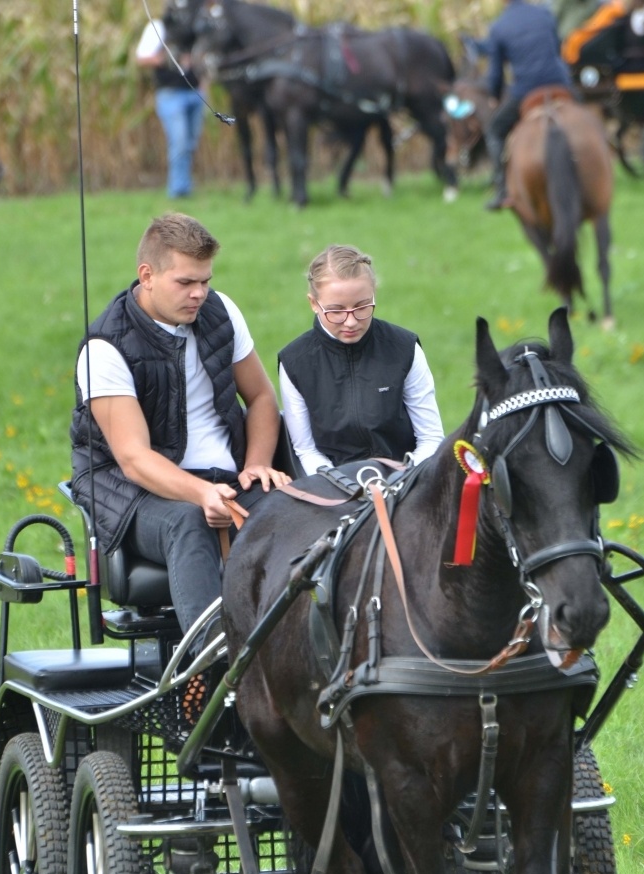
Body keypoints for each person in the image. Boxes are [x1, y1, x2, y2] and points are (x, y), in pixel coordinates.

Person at [70, 212, 290, 638]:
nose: (199, 294)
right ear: (147, 275)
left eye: (205, 281)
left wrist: (257, 465)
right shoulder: (105, 348)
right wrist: (201, 493)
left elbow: (262, 398)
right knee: (191, 521)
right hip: (134, 494)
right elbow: (133, 459)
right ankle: (209, 668)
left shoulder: (221, 312)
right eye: (186, 283)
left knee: (297, 511)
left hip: (227, 479)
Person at [277, 245, 445, 476]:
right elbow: (306, 450)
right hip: (332, 488)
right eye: (336, 311)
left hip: (406, 481)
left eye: (362, 306)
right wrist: (342, 487)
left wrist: (403, 477)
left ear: (373, 293)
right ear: (314, 303)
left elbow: (431, 436)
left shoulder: (404, 347)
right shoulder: (295, 362)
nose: (351, 322)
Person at [482, 0, 574, 211]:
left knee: (494, 131)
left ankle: (502, 190)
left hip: (526, 90)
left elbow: (495, 74)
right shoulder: (544, 14)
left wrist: (494, 97)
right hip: (559, 83)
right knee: (585, 116)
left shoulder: (498, 27)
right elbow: (557, 48)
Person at [135, 1, 206, 199]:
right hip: (170, 94)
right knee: (180, 141)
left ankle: (185, 185)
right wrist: (167, 58)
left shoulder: (197, 31)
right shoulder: (158, 27)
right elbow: (142, 57)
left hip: (195, 93)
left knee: (191, 143)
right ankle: (178, 190)